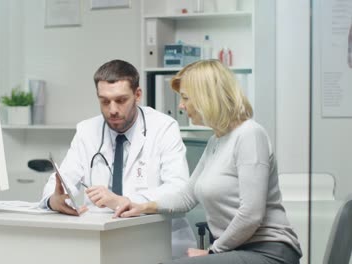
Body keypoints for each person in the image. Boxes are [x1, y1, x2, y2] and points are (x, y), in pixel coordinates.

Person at [114, 60, 303, 264]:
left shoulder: (250, 135)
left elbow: (251, 214)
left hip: (268, 251)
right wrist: (142, 206)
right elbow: (186, 198)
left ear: (207, 97)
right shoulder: (217, 140)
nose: (181, 105)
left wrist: (214, 251)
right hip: (235, 250)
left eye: (185, 98)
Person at [40, 59, 197, 258]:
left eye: (121, 100)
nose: (112, 109)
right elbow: (61, 180)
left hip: (155, 238)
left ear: (137, 95)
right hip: (99, 240)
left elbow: (179, 189)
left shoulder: (164, 127)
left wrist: (125, 201)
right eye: (104, 101)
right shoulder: (86, 130)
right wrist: (53, 200)